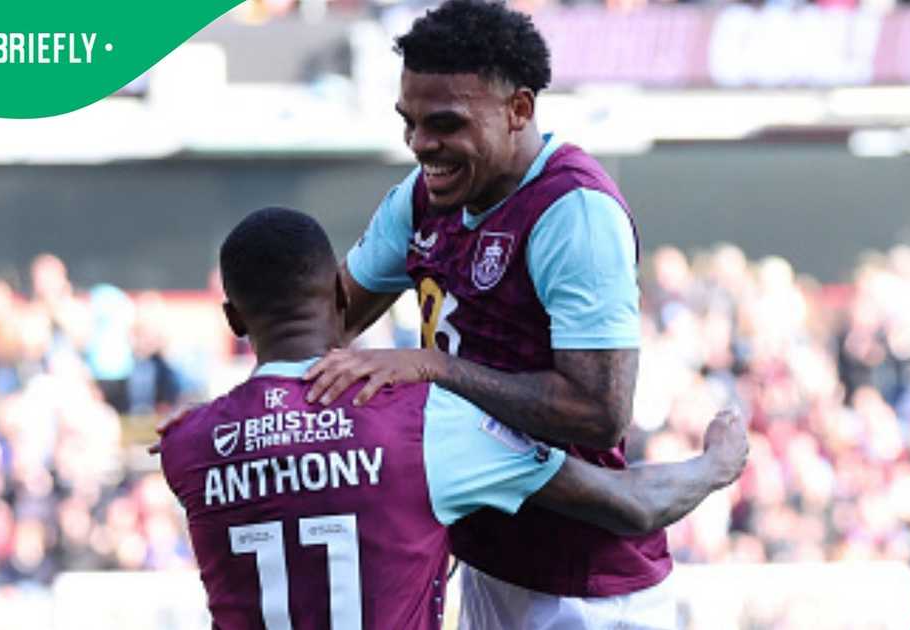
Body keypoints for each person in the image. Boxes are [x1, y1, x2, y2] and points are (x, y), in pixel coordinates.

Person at [157, 207, 748, 629]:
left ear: (234, 320)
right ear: (340, 294)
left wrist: (208, 427)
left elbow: (260, 441)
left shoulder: (187, 447)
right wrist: (717, 464)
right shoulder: (425, 422)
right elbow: (632, 506)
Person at [300, 1, 673, 626]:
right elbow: (319, 327)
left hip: (584, 587)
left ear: (519, 109)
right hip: (490, 561)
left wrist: (437, 370)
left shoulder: (573, 210)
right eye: (410, 122)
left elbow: (599, 413)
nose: (421, 145)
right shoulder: (423, 198)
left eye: (444, 123)